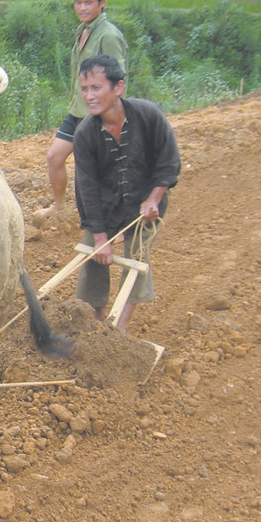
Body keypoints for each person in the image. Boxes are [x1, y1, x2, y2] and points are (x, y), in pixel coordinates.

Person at [72, 54, 180, 332]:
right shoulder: (85, 134)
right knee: (94, 260)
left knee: (137, 258)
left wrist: (154, 198)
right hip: (104, 209)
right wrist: (99, 238)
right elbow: (87, 187)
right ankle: (97, 318)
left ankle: (120, 325)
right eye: (84, 89)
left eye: (96, 88)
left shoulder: (148, 116)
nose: (89, 96)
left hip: (144, 205)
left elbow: (168, 162)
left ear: (118, 87)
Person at [38, 0, 127, 222]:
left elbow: (117, 79)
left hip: (98, 116)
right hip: (77, 111)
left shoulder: (108, 36)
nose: (83, 8)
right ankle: (59, 207)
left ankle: (101, 221)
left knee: (90, 171)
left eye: (89, 2)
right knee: (54, 157)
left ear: (103, 3)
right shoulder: (83, 31)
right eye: (78, 2)